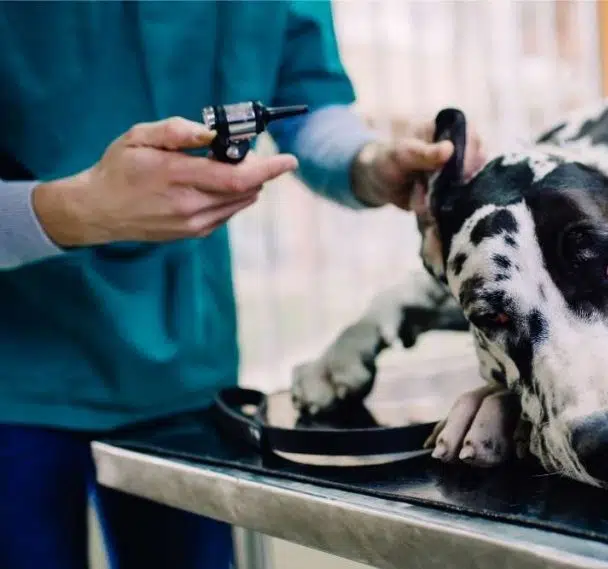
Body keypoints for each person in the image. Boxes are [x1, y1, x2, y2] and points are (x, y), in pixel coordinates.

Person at [0, 3, 484, 569]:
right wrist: (75, 211)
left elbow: (306, 106)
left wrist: (372, 162)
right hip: (16, 378)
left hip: (186, 372)